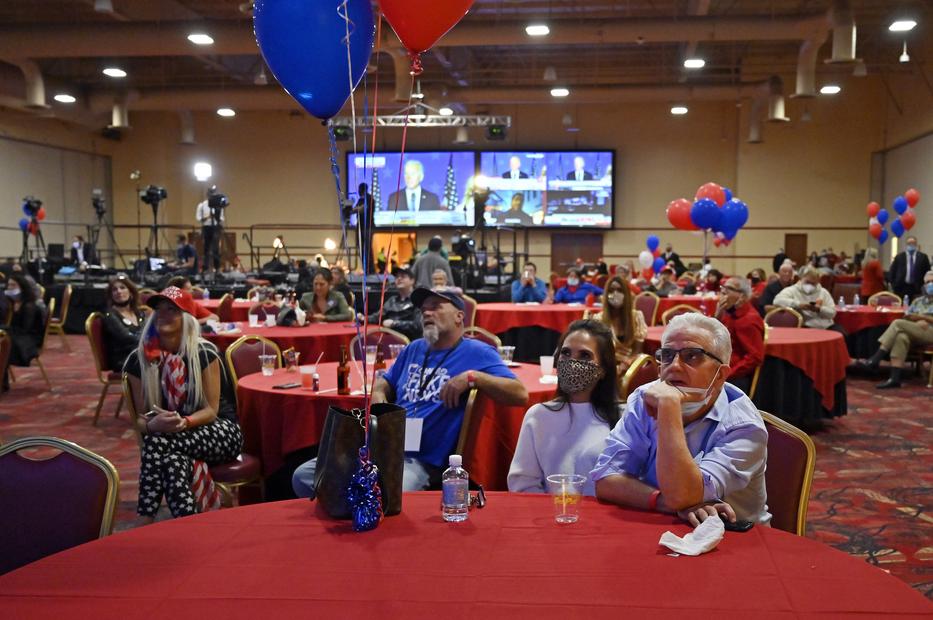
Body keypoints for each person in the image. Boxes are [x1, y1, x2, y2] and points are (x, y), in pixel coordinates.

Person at [292, 288, 528, 495]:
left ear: (459, 316)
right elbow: (387, 380)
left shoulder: (477, 353)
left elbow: (519, 394)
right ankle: (356, 511)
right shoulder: (414, 348)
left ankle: (362, 512)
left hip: (421, 460)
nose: (426, 313)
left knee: (388, 490)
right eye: (423, 309)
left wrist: (473, 377)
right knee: (304, 476)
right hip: (383, 445)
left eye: (435, 307)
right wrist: (378, 391)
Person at [592, 313, 770, 526]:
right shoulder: (644, 398)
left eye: (692, 356)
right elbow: (605, 479)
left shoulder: (744, 427)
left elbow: (682, 495)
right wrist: (662, 501)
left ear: (720, 375)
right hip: (661, 524)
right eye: (667, 355)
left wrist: (669, 407)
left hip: (737, 537)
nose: (674, 366)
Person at [123, 286, 242, 521]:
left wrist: (183, 422)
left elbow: (211, 411)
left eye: (171, 310)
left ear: (186, 318)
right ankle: (187, 522)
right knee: (172, 462)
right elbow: (140, 419)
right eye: (158, 309)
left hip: (220, 432)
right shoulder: (139, 360)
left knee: (158, 443)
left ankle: (145, 516)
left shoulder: (205, 353)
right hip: (169, 438)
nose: (162, 314)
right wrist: (153, 425)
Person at [508, 320, 620, 496]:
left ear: (603, 369)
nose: (572, 362)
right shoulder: (538, 416)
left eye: (584, 356)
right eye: (566, 353)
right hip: (552, 516)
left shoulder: (621, 419)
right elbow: (522, 484)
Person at [858, 270, 933, 389]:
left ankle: (877, 357)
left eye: (932, 282)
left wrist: (923, 317)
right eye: (928, 282)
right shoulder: (918, 301)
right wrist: (915, 321)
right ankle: (894, 378)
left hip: (931, 332)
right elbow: (906, 317)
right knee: (901, 336)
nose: (930, 285)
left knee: (897, 323)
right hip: (916, 330)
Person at [715, 277, 765, 394]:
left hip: (735, 376)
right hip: (720, 365)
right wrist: (717, 317)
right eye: (723, 287)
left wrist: (728, 373)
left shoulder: (748, 320)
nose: (723, 292)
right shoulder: (728, 312)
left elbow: (755, 357)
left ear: (742, 296)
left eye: (730, 289)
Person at [1, 274, 46, 392]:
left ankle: (2, 382)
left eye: (13, 285)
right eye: (9, 285)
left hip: (29, 340)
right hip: (18, 336)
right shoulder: (13, 303)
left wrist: (6, 329)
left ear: (22, 287)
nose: (10, 288)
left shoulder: (29, 306)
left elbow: (26, 330)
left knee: (3, 343)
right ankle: (2, 381)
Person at [593, 276, 647, 373]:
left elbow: (637, 351)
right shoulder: (599, 319)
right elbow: (597, 351)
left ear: (626, 294)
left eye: (619, 290)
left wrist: (626, 364)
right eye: (611, 290)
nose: (615, 294)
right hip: (606, 366)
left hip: (630, 364)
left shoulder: (636, 317)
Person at [360, 268, 422, 340]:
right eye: (397, 277)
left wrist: (395, 323)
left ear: (412, 280)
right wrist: (363, 318)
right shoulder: (392, 300)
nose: (399, 279)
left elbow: (418, 325)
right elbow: (377, 317)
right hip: (389, 340)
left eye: (403, 276)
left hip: (411, 341)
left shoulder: (418, 300)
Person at [102, 275, 149, 371]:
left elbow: (148, 332)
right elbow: (126, 337)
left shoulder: (138, 313)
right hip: (123, 359)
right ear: (111, 295)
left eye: (122, 288)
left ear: (131, 292)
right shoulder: (110, 315)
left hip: (141, 353)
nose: (118, 291)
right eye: (114, 290)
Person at [773, 266, 839, 331]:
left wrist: (819, 309)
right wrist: (799, 305)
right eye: (807, 282)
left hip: (827, 326)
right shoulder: (792, 290)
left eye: (813, 284)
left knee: (843, 335)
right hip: (807, 326)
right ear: (801, 279)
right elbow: (777, 301)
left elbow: (832, 313)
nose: (810, 285)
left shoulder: (823, 292)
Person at [195, 186, 224, 274]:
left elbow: (221, 218)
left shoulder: (219, 205)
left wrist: (216, 216)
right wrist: (208, 216)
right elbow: (198, 218)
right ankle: (206, 268)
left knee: (216, 249)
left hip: (215, 227)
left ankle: (217, 268)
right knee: (206, 249)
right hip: (206, 227)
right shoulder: (202, 205)